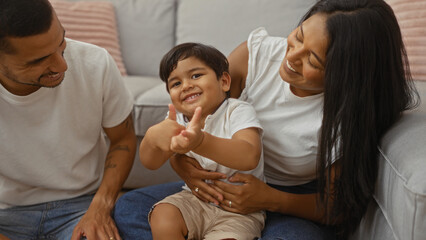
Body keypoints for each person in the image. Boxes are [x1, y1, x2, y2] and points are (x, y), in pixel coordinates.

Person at [114, 0, 418, 239]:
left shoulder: (351, 116)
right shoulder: (256, 55)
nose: (292, 56)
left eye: (312, 60)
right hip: (221, 186)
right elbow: (197, 119)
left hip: (291, 201)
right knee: (131, 209)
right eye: (298, 37)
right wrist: (184, 167)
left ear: (347, 74)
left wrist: (270, 199)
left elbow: (338, 206)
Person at [0, 0, 137, 239]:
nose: (62, 65)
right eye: (38, 60)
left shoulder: (96, 63)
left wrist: (100, 208)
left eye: (61, 43)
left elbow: (123, 139)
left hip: (82, 207)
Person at [141, 42, 265, 240]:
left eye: (196, 75)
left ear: (224, 81)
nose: (187, 85)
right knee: (162, 216)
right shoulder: (177, 120)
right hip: (194, 198)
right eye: (175, 83)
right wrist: (152, 139)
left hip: (238, 210)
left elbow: (249, 156)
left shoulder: (237, 110)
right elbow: (150, 162)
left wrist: (200, 141)